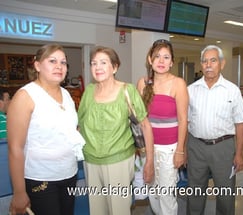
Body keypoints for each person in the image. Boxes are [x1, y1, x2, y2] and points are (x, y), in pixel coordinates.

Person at [7, 43, 85, 215]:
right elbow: (15, 148)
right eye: (52, 61)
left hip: (69, 173)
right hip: (41, 178)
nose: (59, 66)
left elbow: (71, 130)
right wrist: (19, 192)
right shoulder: (25, 96)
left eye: (63, 62)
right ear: (37, 65)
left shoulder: (66, 94)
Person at [77, 46, 154, 215]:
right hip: (91, 160)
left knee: (119, 209)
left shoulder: (127, 91)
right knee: (97, 209)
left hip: (118, 160)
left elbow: (145, 125)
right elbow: (79, 123)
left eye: (103, 63)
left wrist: (149, 161)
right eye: (94, 63)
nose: (98, 67)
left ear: (115, 67)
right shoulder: (89, 91)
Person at [187, 45, 243, 215]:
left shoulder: (232, 90)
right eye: (205, 61)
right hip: (196, 147)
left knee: (225, 192)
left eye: (213, 60)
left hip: (223, 148)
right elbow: (184, 122)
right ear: (201, 64)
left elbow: (240, 124)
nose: (208, 64)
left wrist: (239, 153)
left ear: (222, 63)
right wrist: (183, 150)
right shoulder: (191, 90)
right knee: (195, 191)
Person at [137, 39, 189, 215]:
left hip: (169, 148)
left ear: (172, 62)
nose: (161, 61)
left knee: (166, 194)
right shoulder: (143, 83)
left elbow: (183, 120)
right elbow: (139, 119)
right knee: (153, 193)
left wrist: (180, 151)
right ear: (150, 60)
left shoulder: (178, 84)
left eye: (166, 57)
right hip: (148, 149)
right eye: (157, 56)